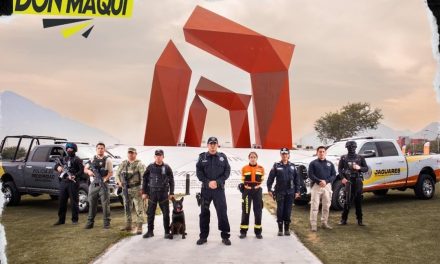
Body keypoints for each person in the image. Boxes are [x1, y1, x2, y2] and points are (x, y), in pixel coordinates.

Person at [196, 137, 231, 246]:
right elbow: (199, 172)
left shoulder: (222, 157)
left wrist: (218, 182)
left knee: (222, 213)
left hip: (219, 190)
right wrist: (207, 182)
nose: (212, 146)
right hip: (206, 190)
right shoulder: (202, 157)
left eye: (214, 144)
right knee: (204, 213)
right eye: (210, 144)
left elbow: (227, 171)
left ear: (217, 145)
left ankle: (225, 236)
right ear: (207, 145)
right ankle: (203, 236)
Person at [267, 147, 301, 236]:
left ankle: (287, 229)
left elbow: (297, 180)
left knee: (288, 210)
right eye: (283, 154)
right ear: (281, 155)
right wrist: (269, 189)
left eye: (286, 154)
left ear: (289, 155)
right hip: (280, 192)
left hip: (290, 192)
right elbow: (270, 178)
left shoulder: (293, 166)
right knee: (280, 210)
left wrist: (297, 191)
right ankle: (280, 229)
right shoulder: (276, 165)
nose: (284, 155)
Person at [142, 149, 175, 239]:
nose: (158, 157)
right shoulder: (150, 167)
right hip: (152, 193)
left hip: (163, 194)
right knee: (150, 213)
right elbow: (144, 180)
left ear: (163, 157)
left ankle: (167, 232)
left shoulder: (167, 167)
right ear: (154, 157)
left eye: (160, 155)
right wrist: (144, 192)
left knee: (166, 213)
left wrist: (171, 192)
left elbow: (171, 181)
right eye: (156, 155)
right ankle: (150, 232)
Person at [115, 147, 146, 235]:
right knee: (127, 207)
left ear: (136, 154)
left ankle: (139, 226)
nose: (130, 154)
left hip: (136, 189)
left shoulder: (139, 164)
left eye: (132, 153)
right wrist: (119, 181)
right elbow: (117, 173)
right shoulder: (124, 163)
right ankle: (128, 225)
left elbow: (144, 177)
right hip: (125, 189)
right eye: (129, 153)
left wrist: (143, 189)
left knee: (139, 208)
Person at [338, 141, 368, 226]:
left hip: (358, 180)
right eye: (349, 147)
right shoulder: (343, 158)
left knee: (358, 200)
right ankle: (343, 219)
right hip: (348, 181)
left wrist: (359, 168)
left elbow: (366, 168)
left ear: (355, 147)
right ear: (346, 148)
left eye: (353, 147)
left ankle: (360, 220)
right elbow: (340, 169)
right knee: (347, 200)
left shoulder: (360, 158)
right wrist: (342, 178)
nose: (351, 149)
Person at [53, 143, 84, 226]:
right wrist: (57, 167)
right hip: (63, 182)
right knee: (62, 202)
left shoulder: (78, 160)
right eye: (67, 149)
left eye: (71, 149)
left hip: (73, 183)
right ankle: (61, 220)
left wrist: (74, 176)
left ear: (74, 149)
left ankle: (75, 220)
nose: (69, 150)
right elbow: (56, 165)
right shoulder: (63, 159)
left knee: (74, 202)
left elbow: (81, 171)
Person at [84, 142, 113, 229]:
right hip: (93, 184)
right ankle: (90, 223)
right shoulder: (92, 159)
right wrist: (89, 171)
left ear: (104, 149)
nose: (100, 150)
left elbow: (111, 172)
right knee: (92, 203)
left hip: (103, 184)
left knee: (105, 205)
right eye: (98, 148)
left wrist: (105, 178)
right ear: (96, 149)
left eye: (102, 148)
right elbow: (85, 168)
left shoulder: (108, 160)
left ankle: (106, 223)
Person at [308, 146, 336, 232]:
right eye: (320, 151)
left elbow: (334, 175)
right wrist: (319, 181)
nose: (322, 153)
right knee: (314, 206)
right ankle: (313, 225)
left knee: (326, 205)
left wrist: (326, 181)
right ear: (317, 153)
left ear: (325, 153)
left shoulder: (330, 164)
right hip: (316, 186)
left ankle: (324, 223)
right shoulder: (313, 163)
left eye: (323, 151)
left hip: (327, 186)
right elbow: (310, 175)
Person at [239, 151, 264, 239]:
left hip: (257, 191)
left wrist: (256, 187)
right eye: (251, 157)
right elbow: (243, 180)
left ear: (257, 158)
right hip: (247, 191)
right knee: (245, 211)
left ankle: (258, 232)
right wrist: (245, 187)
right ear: (249, 158)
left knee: (258, 212)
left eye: (254, 157)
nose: (253, 159)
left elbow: (262, 180)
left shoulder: (261, 168)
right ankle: (243, 231)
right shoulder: (244, 168)